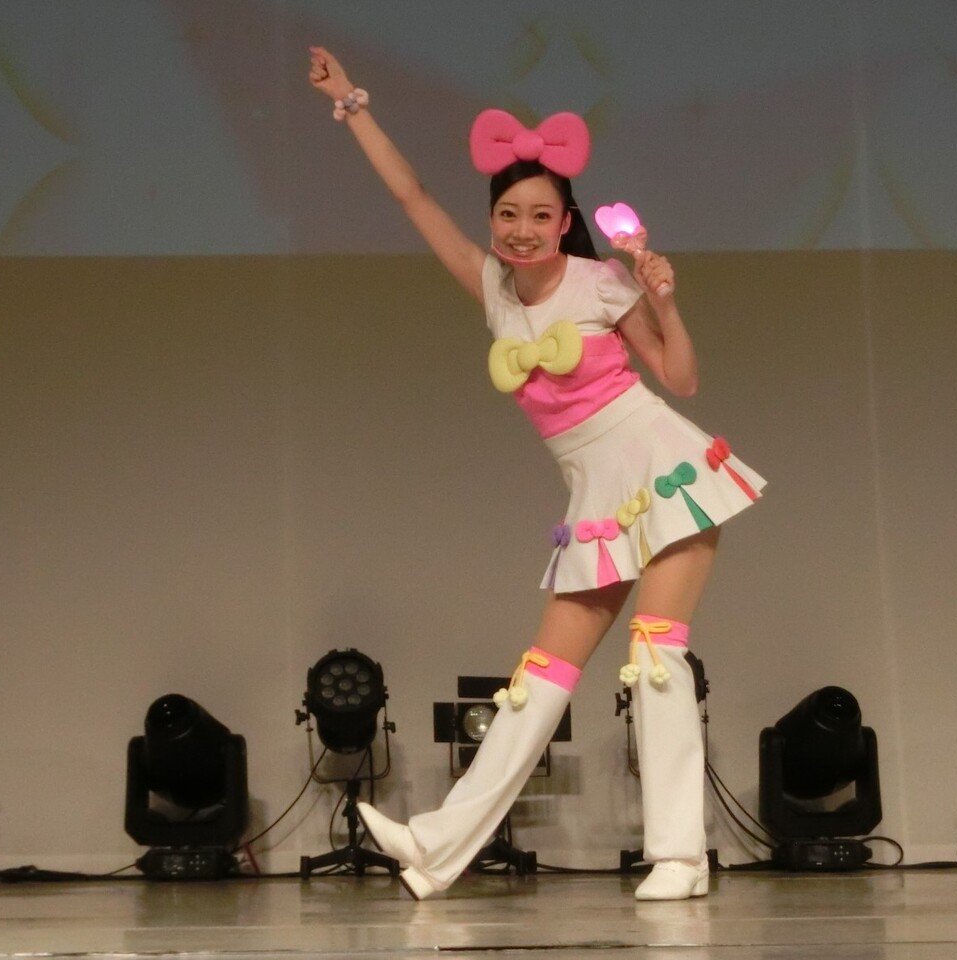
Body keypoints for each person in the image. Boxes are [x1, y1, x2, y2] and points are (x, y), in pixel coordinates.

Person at [308, 46, 765, 901]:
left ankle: (679, 856)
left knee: (656, 655)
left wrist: (664, 300)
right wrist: (352, 104)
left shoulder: (599, 283)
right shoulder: (491, 289)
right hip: (594, 497)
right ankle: (437, 847)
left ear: (564, 223)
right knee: (537, 682)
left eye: (540, 215)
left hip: (665, 471)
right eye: (508, 213)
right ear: (494, 222)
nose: (522, 228)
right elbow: (411, 195)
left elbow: (681, 379)